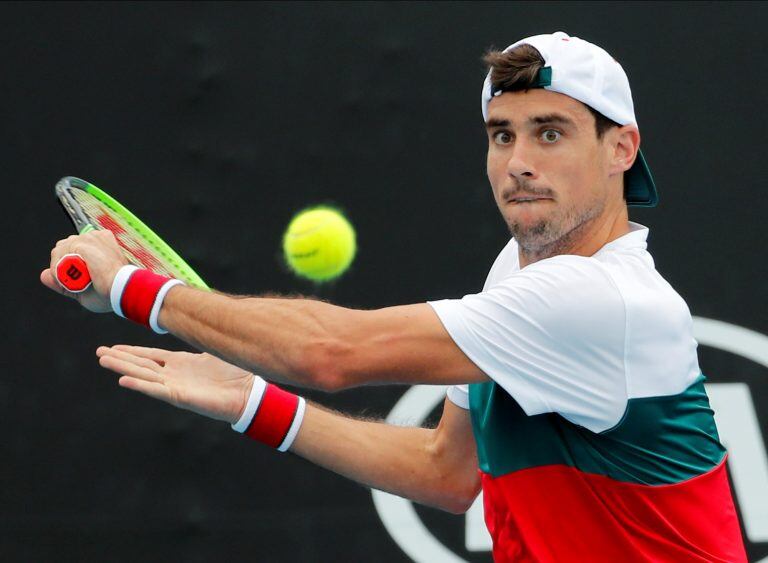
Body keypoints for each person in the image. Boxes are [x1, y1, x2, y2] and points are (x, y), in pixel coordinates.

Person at [41, 32, 747, 562]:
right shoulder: (521, 270)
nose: (519, 162)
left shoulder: (603, 299)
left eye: (551, 132)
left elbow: (330, 352)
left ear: (622, 148)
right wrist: (252, 401)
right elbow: (449, 469)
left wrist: (136, 288)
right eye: (502, 135)